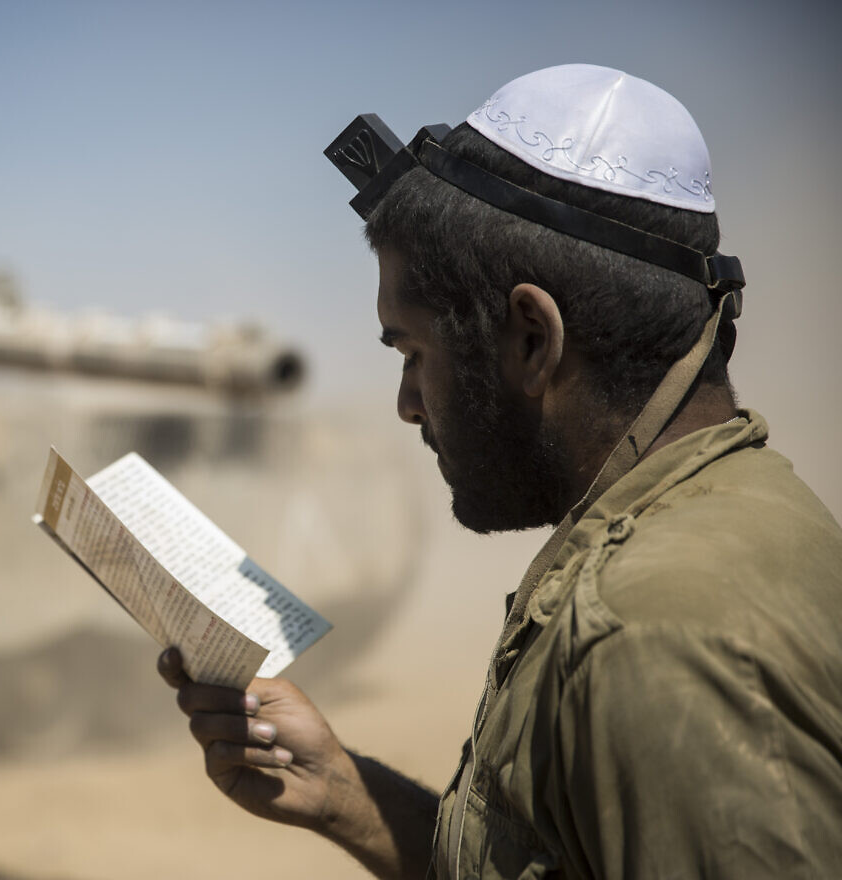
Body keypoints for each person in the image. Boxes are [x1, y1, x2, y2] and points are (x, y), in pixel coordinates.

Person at [157, 64, 842, 878]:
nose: (408, 404)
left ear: (531, 338)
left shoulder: (650, 636)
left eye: (415, 353)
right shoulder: (743, 506)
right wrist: (345, 792)